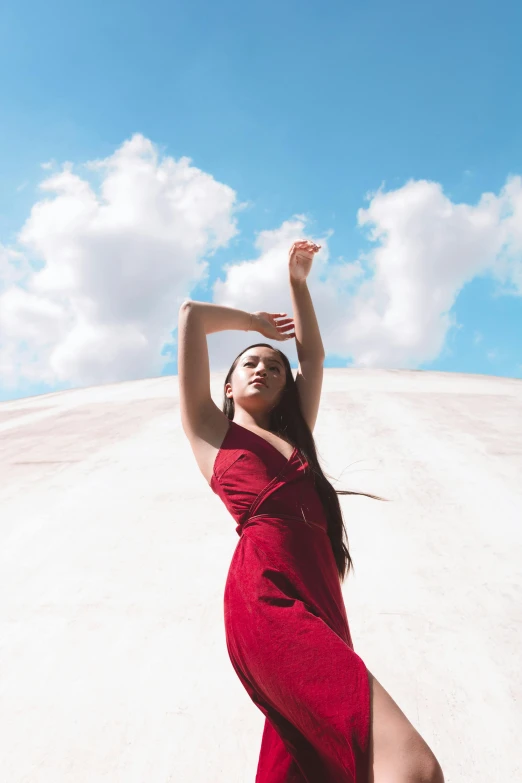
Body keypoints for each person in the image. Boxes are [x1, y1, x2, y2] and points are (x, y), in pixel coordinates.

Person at [177, 240, 444, 782]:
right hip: (267, 599)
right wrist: (253, 323)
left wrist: (299, 283)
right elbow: (191, 315)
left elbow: (314, 358)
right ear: (226, 386)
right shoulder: (212, 435)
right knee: (413, 770)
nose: (261, 369)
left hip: (322, 601)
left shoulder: (298, 446)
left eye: (273, 368)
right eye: (249, 363)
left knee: (303, 770)